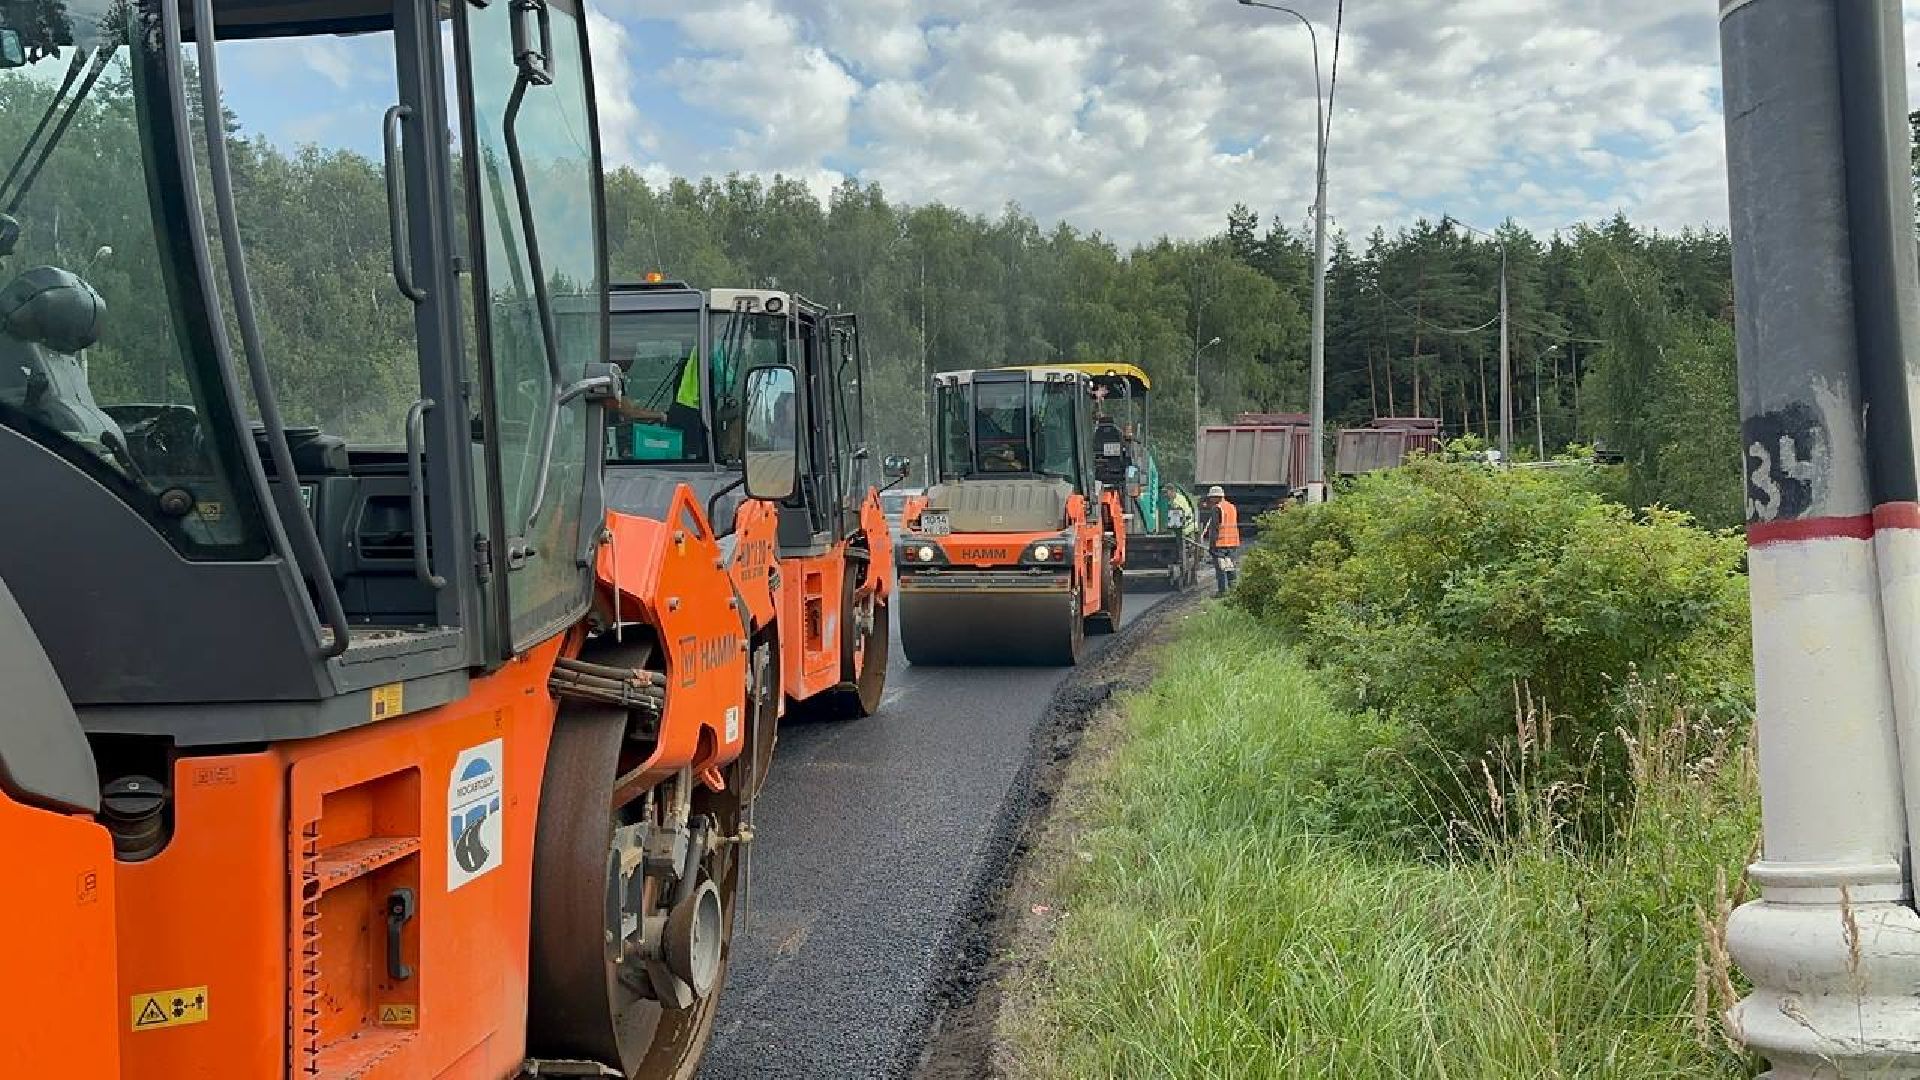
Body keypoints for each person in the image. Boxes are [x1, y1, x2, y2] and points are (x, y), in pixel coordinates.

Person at [1200, 484, 1240, 597]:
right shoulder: (1231, 507)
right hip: (1232, 543)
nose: (1210, 500)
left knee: (1221, 570)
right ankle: (1233, 590)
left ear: (1216, 497)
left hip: (1220, 545)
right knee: (1230, 567)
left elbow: (1215, 529)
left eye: (1211, 498)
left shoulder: (1217, 508)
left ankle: (1222, 592)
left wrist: (1212, 546)